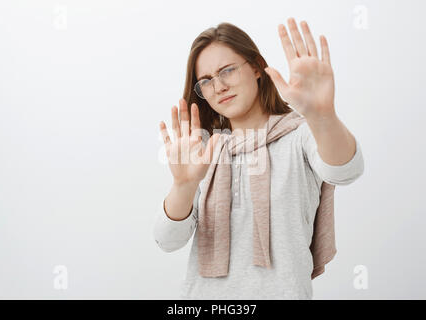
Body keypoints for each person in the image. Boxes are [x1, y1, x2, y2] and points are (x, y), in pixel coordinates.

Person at [153, 17, 364, 299]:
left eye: (227, 70)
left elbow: (346, 171)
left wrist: (322, 115)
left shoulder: (300, 134)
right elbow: (167, 240)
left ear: (255, 68)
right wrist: (183, 186)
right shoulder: (202, 150)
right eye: (205, 81)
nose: (218, 87)